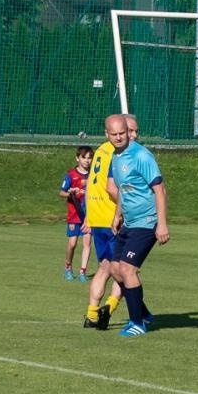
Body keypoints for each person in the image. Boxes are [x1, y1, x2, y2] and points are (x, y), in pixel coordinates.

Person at [105, 112, 169, 338]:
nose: (119, 137)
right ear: (107, 135)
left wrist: (161, 224)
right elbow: (124, 189)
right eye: (114, 134)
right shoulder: (116, 156)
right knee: (115, 269)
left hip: (147, 222)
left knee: (128, 269)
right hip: (129, 223)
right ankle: (144, 314)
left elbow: (159, 190)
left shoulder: (141, 156)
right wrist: (117, 214)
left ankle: (137, 323)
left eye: (123, 133)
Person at [82, 117, 126, 330]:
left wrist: (88, 215)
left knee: (104, 267)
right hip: (112, 218)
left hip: (97, 216)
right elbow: (113, 188)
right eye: (130, 131)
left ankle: (91, 315)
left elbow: (90, 183)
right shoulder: (119, 154)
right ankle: (109, 307)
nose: (130, 136)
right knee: (127, 270)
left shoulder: (99, 151)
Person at [60, 145, 94, 281]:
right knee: (72, 244)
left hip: (89, 216)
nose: (87, 160)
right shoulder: (71, 175)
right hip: (74, 215)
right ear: (77, 158)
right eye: (84, 157)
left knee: (87, 243)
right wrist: (70, 193)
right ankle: (68, 267)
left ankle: (82, 272)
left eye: (90, 158)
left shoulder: (94, 175)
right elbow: (61, 192)